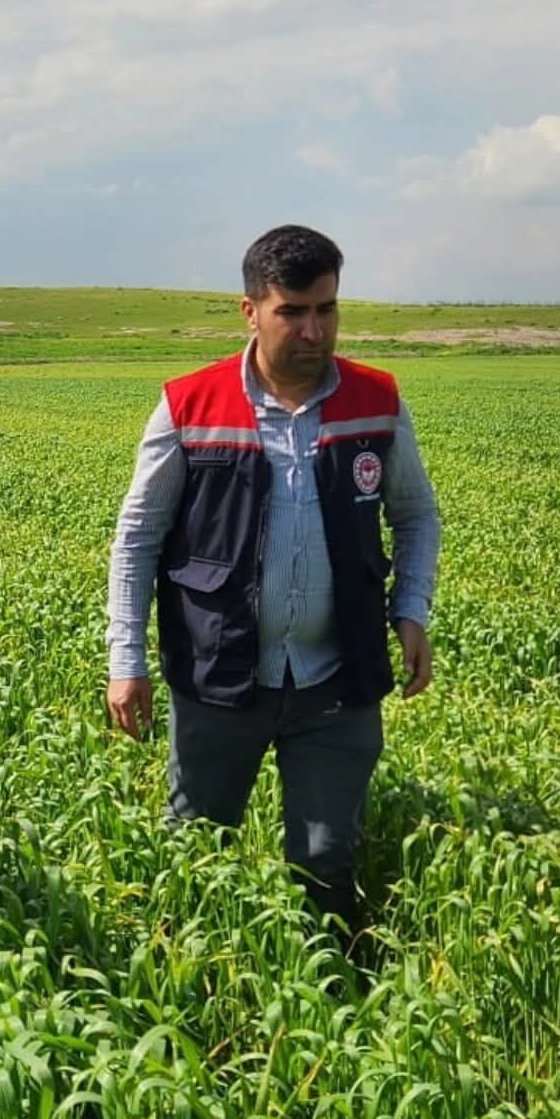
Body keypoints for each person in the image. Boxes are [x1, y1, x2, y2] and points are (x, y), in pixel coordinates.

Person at [106, 225, 439, 937]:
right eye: (293, 311)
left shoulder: (376, 400)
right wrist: (125, 659)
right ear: (250, 310)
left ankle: (329, 1004)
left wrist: (412, 609)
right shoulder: (191, 405)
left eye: (327, 309)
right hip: (217, 676)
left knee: (327, 863)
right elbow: (137, 538)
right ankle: (194, 997)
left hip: (337, 680)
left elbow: (415, 515)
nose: (313, 330)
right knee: (197, 854)